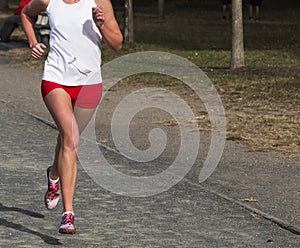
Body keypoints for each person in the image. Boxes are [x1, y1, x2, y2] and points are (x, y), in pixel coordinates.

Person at [21, 0, 123, 234]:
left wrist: (101, 24)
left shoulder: (99, 2)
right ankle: (68, 214)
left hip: (89, 84)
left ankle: (54, 174)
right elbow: (27, 14)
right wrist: (33, 42)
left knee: (67, 140)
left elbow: (117, 44)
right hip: (55, 79)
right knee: (70, 138)